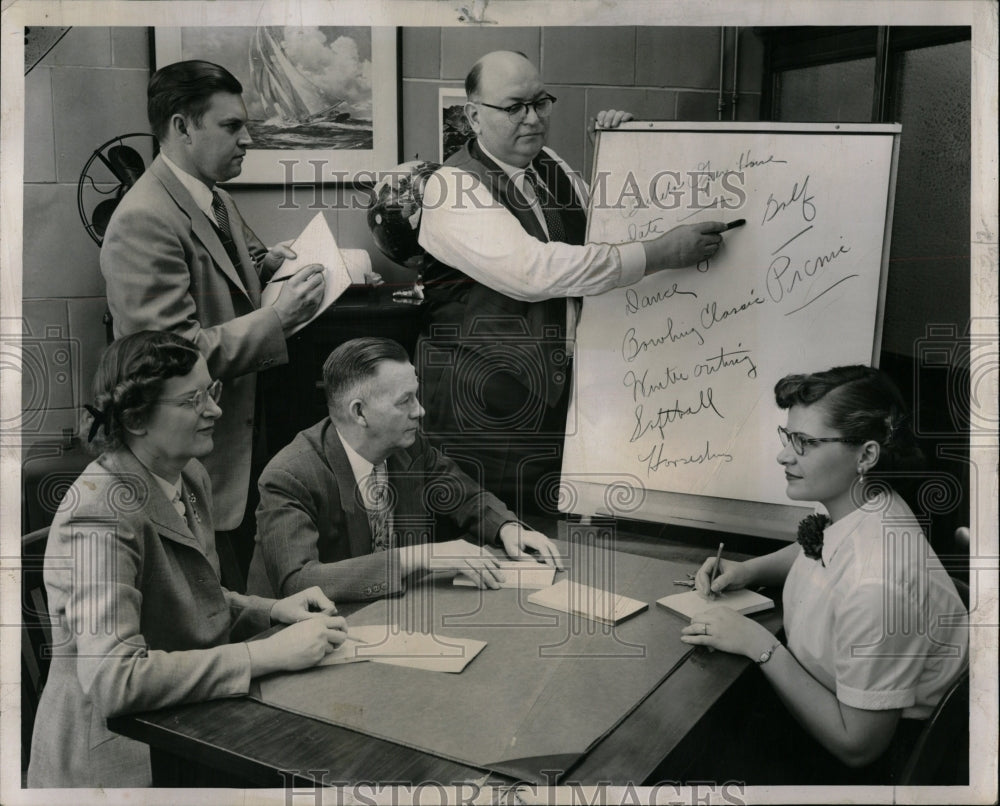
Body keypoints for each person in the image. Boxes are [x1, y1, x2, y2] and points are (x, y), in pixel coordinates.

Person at [27, 332, 348, 788]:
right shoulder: (98, 513)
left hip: (187, 722)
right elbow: (115, 680)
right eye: (193, 400)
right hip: (115, 758)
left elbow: (192, 595)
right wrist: (261, 654)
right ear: (137, 419)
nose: (215, 410)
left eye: (211, 392)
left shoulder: (189, 475)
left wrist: (271, 611)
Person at [416, 49, 731, 514]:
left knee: (543, 548)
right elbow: (535, 271)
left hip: (552, 407)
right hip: (478, 417)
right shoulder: (451, 188)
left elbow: (605, 236)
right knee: (485, 556)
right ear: (473, 116)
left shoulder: (552, 166)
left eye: (540, 102)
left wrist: (617, 152)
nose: (532, 119)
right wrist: (661, 254)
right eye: (513, 107)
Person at [679, 365, 968, 783]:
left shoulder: (879, 582)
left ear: (866, 454)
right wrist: (748, 570)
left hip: (871, 759)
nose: (783, 454)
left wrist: (758, 644)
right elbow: (816, 548)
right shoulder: (861, 500)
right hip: (829, 701)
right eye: (788, 436)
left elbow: (859, 748)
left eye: (805, 443)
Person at [100, 60, 326, 578]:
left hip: (240, 441)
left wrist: (265, 264)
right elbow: (167, 358)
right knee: (212, 605)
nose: (247, 139)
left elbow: (223, 268)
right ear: (181, 127)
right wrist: (278, 318)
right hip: (199, 457)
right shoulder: (142, 219)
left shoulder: (215, 198)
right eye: (231, 127)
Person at [246, 337, 563, 603]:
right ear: (360, 412)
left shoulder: (409, 445)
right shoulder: (290, 475)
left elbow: (463, 493)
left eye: (417, 395)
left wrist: (508, 528)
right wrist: (421, 556)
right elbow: (299, 583)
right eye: (405, 401)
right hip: (301, 635)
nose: (420, 410)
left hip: (387, 613)